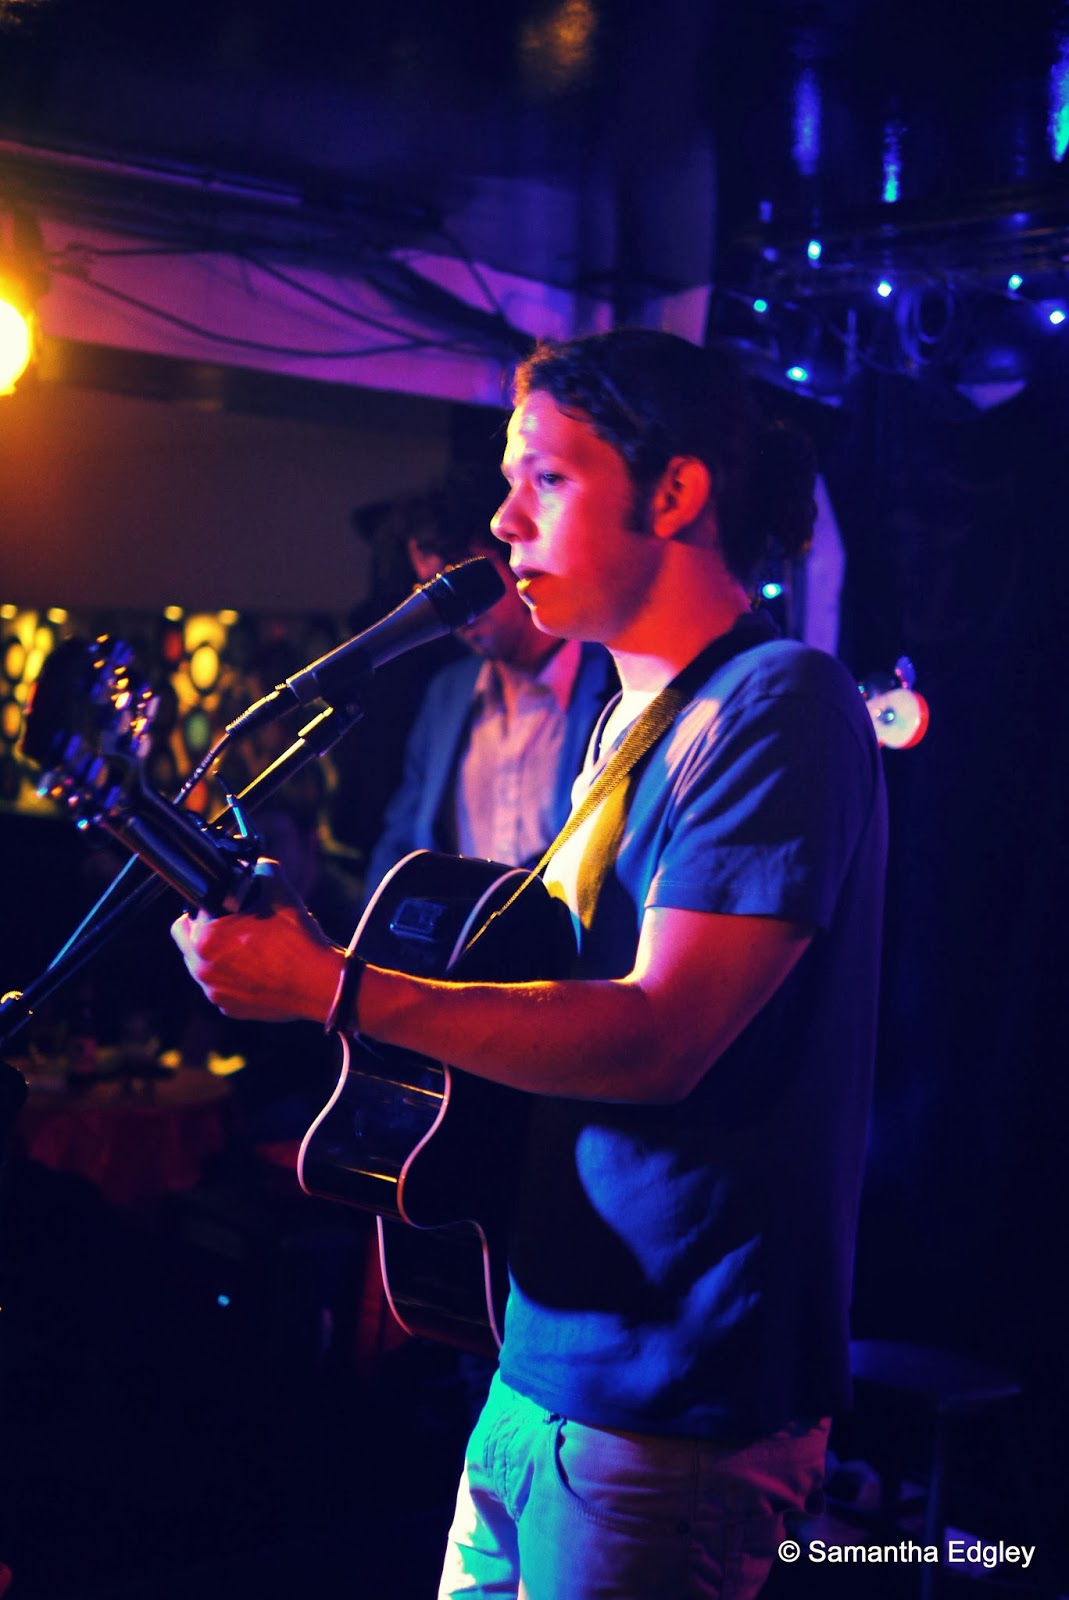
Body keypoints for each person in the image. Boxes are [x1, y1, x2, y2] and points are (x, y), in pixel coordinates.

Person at [172, 328, 888, 1600]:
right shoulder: (623, 720)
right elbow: (541, 1002)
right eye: (511, 482)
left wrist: (334, 989)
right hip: (543, 1354)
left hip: (673, 1389)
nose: (504, 523)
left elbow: (658, 1038)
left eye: (547, 478)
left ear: (674, 491)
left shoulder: (781, 704)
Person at [362, 471, 617, 897]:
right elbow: (401, 841)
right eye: (429, 588)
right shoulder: (446, 694)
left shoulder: (612, 678)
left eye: (457, 578)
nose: (449, 609)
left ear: (513, 557)